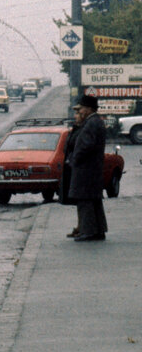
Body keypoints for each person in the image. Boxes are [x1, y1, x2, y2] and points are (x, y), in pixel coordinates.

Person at [67, 93, 108, 241]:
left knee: (85, 201)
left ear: (89, 109)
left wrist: (75, 160)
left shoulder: (91, 123)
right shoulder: (96, 121)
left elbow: (85, 146)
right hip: (93, 168)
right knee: (94, 201)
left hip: (86, 169)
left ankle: (88, 231)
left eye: (82, 108)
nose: (81, 111)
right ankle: (98, 230)